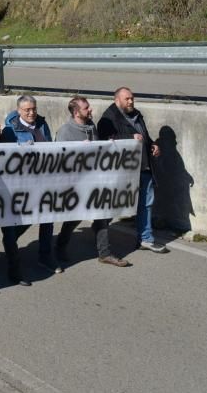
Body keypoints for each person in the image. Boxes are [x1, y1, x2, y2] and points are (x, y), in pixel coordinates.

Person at [55, 96, 131, 267]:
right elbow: (59, 159)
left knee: (102, 215)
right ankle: (60, 246)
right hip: (75, 185)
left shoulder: (91, 127)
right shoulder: (65, 132)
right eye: (86, 108)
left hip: (94, 182)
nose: (90, 110)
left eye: (89, 107)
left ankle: (104, 253)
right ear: (76, 112)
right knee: (73, 219)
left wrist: (108, 146)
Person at [98, 87, 167, 253]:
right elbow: (106, 142)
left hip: (144, 166)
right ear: (117, 100)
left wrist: (152, 145)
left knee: (146, 203)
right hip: (124, 171)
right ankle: (99, 232)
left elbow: (144, 136)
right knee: (115, 204)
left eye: (132, 98)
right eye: (127, 99)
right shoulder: (108, 119)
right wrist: (129, 138)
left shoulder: (137, 114)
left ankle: (146, 238)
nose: (131, 102)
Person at [1, 95, 57, 276]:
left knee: (47, 218)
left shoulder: (42, 124)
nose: (32, 112)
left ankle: (45, 256)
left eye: (34, 109)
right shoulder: (11, 129)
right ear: (19, 111)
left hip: (44, 179)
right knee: (27, 218)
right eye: (27, 110)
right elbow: (7, 156)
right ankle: (10, 243)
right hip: (25, 182)